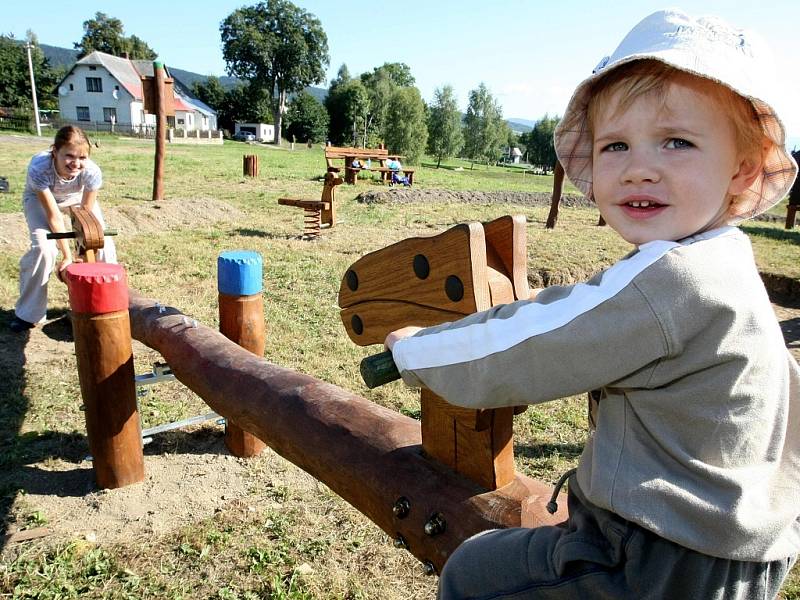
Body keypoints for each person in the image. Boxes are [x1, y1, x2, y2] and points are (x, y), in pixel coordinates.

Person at [385, 9, 800, 599]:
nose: (638, 168)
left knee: (470, 575)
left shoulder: (674, 278)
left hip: (654, 553)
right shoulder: (727, 260)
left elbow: (536, 341)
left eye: (676, 142)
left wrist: (420, 350)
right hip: (736, 551)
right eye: (615, 145)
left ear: (743, 167)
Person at [9, 125, 117, 333]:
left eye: (82, 157)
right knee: (44, 248)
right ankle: (28, 314)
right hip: (40, 200)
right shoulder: (39, 168)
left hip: (76, 199)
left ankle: (106, 305)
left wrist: (82, 250)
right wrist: (67, 256)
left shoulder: (91, 172)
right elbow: (53, 217)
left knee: (101, 241)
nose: (76, 163)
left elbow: (86, 214)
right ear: (55, 152)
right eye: (69, 156)